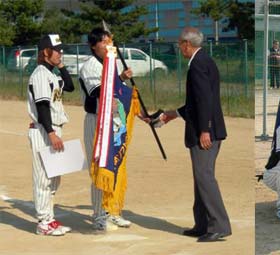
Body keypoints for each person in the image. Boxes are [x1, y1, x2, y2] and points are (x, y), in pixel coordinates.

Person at [148, 28, 230, 242]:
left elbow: (205, 100)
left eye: (179, 43)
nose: (178, 47)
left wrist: (205, 129)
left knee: (205, 176)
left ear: (186, 43)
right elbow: (196, 102)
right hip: (208, 128)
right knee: (200, 177)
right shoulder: (203, 60)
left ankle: (218, 226)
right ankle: (202, 224)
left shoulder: (198, 64)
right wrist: (173, 114)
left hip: (206, 132)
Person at [78, 27, 135, 231]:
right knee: (99, 166)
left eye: (109, 40)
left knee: (115, 163)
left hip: (114, 120)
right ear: (94, 46)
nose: (108, 44)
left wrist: (121, 79)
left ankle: (113, 210)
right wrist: (118, 78)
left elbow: (116, 92)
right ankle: (99, 214)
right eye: (103, 41)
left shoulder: (111, 64)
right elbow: (98, 93)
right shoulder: (90, 66)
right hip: (96, 121)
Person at [27, 34, 75, 236]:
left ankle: (50, 218)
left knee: (54, 178)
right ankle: (43, 223)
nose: (60, 52)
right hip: (43, 130)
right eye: (57, 50)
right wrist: (51, 133)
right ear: (46, 52)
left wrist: (61, 66)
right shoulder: (39, 75)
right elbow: (42, 107)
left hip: (53, 129)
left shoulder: (52, 74)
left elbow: (70, 87)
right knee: (44, 178)